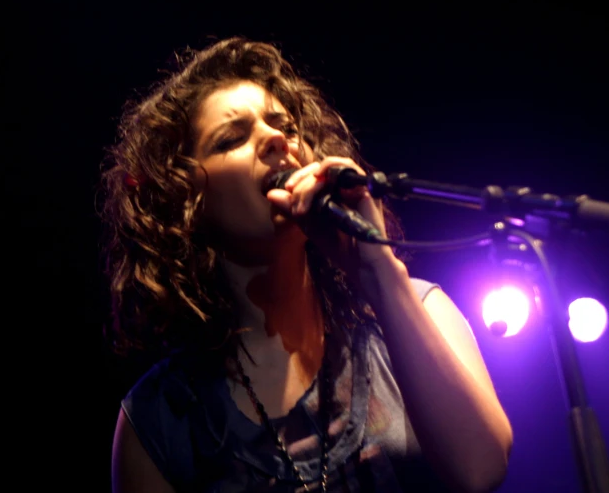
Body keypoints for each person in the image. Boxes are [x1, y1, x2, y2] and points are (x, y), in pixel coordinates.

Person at [99, 37, 513, 492]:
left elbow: (481, 470)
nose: (276, 138)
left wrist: (379, 272)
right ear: (185, 201)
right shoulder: (158, 420)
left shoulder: (417, 307)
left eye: (284, 125)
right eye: (232, 138)